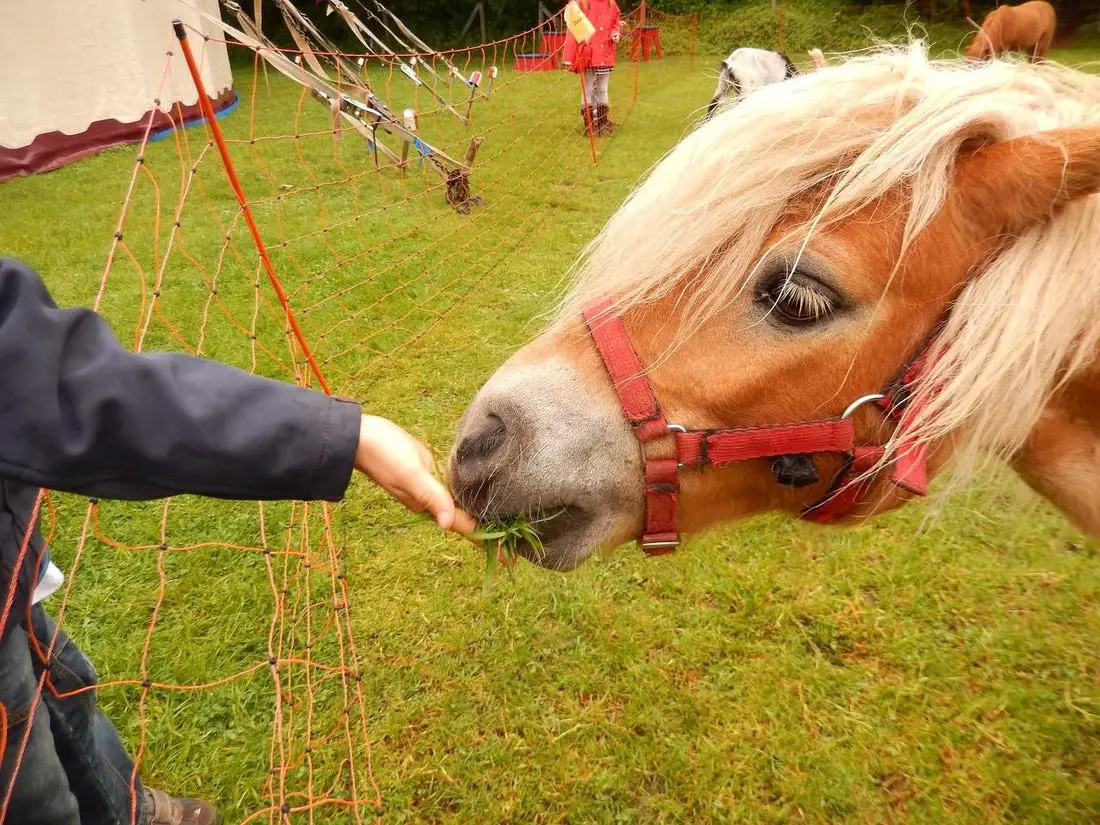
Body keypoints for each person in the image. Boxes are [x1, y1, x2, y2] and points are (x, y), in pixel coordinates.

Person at [0, 257, 475, 825]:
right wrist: (343, 439)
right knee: (32, 795)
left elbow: (32, 365)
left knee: (66, 688)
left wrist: (345, 438)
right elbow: (49, 387)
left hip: (11, 568)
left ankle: (128, 811)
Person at [562, 0, 622, 137]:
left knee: (602, 88)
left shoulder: (611, 3)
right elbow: (572, 31)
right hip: (587, 54)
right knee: (588, 89)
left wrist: (615, 33)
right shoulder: (580, 4)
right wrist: (568, 57)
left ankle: (602, 122)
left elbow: (615, 21)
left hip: (605, 54)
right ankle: (589, 126)